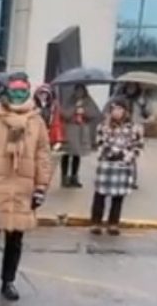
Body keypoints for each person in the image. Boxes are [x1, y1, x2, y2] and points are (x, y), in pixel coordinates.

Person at [0, 74, 52, 302]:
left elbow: (43, 155)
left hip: (22, 188)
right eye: (14, 90)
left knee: (15, 240)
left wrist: (41, 187)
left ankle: (9, 281)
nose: (17, 95)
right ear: (6, 92)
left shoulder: (37, 122)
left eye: (22, 91)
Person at [90, 97, 143, 236]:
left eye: (120, 109)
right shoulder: (103, 126)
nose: (117, 112)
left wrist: (126, 156)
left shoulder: (134, 128)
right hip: (106, 163)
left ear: (125, 111)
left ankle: (113, 223)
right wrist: (109, 153)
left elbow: (138, 146)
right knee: (100, 194)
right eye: (114, 109)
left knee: (118, 196)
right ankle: (96, 222)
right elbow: (99, 143)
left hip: (123, 165)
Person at [59, 83, 101, 188]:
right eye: (77, 90)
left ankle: (74, 177)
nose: (79, 93)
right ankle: (64, 178)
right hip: (70, 130)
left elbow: (95, 114)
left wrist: (84, 111)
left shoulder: (88, 100)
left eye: (81, 90)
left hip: (81, 131)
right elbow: (64, 114)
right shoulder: (69, 101)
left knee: (77, 154)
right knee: (67, 153)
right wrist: (75, 108)